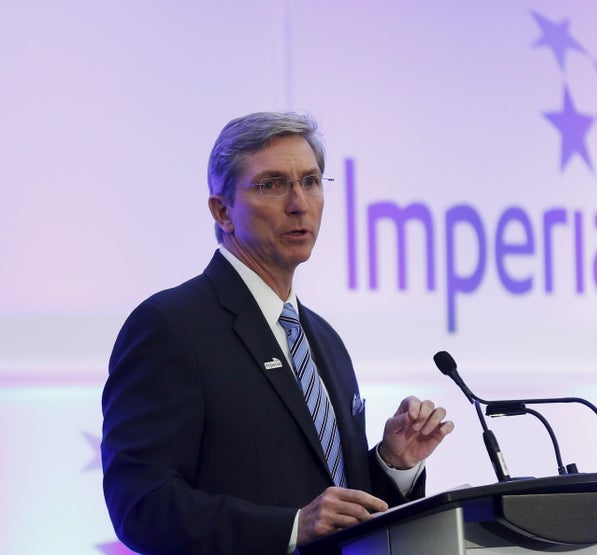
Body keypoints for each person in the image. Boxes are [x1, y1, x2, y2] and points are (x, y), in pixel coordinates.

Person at [101, 111, 454, 555]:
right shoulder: (170, 326)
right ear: (222, 210)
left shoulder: (323, 340)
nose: (298, 202)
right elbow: (141, 505)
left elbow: (338, 504)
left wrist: (392, 464)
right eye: (270, 184)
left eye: (310, 181)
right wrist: (289, 528)